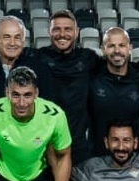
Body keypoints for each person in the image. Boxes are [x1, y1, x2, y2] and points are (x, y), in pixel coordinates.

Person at [27, 9, 101, 156]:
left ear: (76, 32)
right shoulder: (37, 57)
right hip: (45, 145)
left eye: (68, 29)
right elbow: (2, 51)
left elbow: (118, 65)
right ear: (49, 32)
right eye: (56, 29)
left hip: (79, 145)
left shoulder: (89, 58)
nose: (62, 34)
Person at [85, 27, 139, 162]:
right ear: (103, 49)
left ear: (130, 48)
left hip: (133, 160)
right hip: (97, 159)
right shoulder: (91, 75)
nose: (117, 51)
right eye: (111, 46)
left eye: (122, 45)